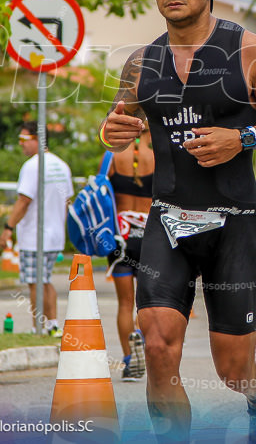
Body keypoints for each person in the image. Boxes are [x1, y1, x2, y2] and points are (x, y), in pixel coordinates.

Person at [100, 0, 256, 442]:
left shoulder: (246, 49)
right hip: (167, 217)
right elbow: (117, 121)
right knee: (156, 346)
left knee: (233, 370)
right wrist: (112, 131)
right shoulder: (141, 62)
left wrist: (244, 137)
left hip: (232, 221)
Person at [0, 121, 73, 337]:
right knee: (45, 280)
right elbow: (68, 200)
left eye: (24, 140)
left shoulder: (32, 166)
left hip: (35, 235)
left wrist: (7, 228)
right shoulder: (62, 165)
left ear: (36, 139)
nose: (20, 144)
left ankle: (38, 327)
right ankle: (52, 325)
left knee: (35, 283)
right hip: (55, 235)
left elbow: (23, 202)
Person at [107, 128, 154, 381]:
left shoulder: (112, 158)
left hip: (120, 239)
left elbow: (102, 194)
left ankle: (128, 361)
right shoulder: (159, 157)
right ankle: (143, 342)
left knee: (124, 303)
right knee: (147, 304)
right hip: (150, 239)